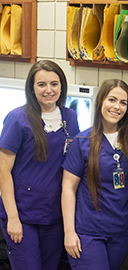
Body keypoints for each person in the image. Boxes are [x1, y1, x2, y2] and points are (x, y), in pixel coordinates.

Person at [0, 60, 80, 270]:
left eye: (54, 84)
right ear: (32, 88)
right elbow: (3, 172)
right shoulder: (18, 119)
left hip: (53, 215)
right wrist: (13, 218)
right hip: (23, 215)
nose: (48, 90)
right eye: (41, 84)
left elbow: (75, 162)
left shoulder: (70, 118)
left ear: (61, 86)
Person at [61, 79, 128, 270]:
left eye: (123, 103)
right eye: (112, 100)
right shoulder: (82, 141)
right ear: (101, 102)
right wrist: (69, 232)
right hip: (88, 232)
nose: (117, 107)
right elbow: (68, 189)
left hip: (123, 232)